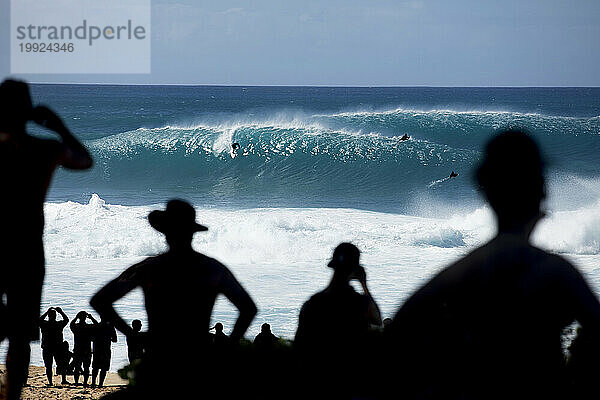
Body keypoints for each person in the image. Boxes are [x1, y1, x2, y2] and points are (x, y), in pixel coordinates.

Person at [386, 130, 600, 399]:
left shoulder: (461, 273)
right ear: (541, 191)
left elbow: (401, 332)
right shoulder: (556, 272)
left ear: (486, 191)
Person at [90, 199, 257, 398]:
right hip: (199, 360)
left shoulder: (150, 268)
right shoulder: (211, 269)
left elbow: (100, 300)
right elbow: (248, 309)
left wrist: (131, 334)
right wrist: (230, 346)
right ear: (191, 233)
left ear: (165, 232)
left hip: (158, 360)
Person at [0, 79, 93, 400]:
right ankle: (11, 394)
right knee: (19, 337)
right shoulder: (44, 149)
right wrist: (60, 127)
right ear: (29, 111)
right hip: (27, 249)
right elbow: (84, 160)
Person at [295, 243, 382, 399]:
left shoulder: (313, 303)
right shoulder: (357, 303)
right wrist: (364, 284)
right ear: (355, 269)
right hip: (350, 383)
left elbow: (299, 347)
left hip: (317, 384)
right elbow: (377, 320)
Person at [39, 307, 69, 385]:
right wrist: (61, 312)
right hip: (56, 347)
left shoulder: (45, 324)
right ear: (55, 316)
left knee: (49, 366)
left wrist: (46, 312)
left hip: (50, 347)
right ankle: (62, 380)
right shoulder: (58, 324)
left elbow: (39, 320)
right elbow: (66, 320)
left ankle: (51, 382)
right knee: (60, 365)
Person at [70, 311, 98, 386]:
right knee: (86, 367)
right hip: (87, 350)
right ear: (86, 317)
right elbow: (97, 325)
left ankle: (76, 382)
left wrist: (76, 317)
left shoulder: (76, 327)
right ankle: (85, 382)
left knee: (77, 367)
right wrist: (91, 318)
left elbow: (71, 324)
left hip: (78, 349)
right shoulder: (88, 327)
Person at [91, 319, 117, 388]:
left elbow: (91, 338)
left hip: (97, 349)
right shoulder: (110, 327)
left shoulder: (96, 326)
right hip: (106, 350)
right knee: (104, 368)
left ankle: (93, 383)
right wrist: (107, 339)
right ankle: (100, 384)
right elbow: (115, 339)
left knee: (95, 367)